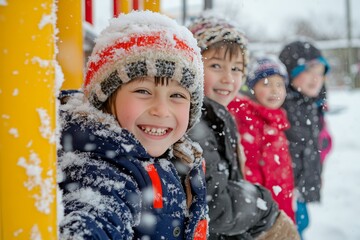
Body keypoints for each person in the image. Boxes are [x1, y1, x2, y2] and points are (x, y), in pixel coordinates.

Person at [57, 11, 208, 239]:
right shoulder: (98, 168)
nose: (161, 109)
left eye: (177, 95)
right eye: (143, 91)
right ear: (106, 99)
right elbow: (92, 219)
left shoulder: (179, 159)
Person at [187, 13, 300, 240]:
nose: (229, 78)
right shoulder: (193, 122)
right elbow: (212, 204)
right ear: (192, 65)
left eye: (237, 69)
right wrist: (264, 207)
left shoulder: (218, 116)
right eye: (216, 65)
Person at [228, 56, 296, 223]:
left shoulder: (277, 122)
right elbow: (250, 169)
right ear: (252, 88)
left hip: (281, 205)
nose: (275, 90)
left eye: (280, 85)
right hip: (259, 212)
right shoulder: (247, 121)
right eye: (266, 84)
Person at [279, 40, 331, 238]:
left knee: (301, 224)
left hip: (300, 187)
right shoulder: (283, 106)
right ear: (290, 71)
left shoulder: (312, 106)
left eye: (320, 72)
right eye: (308, 71)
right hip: (285, 189)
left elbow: (313, 146)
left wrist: (314, 172)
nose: (315, 78)